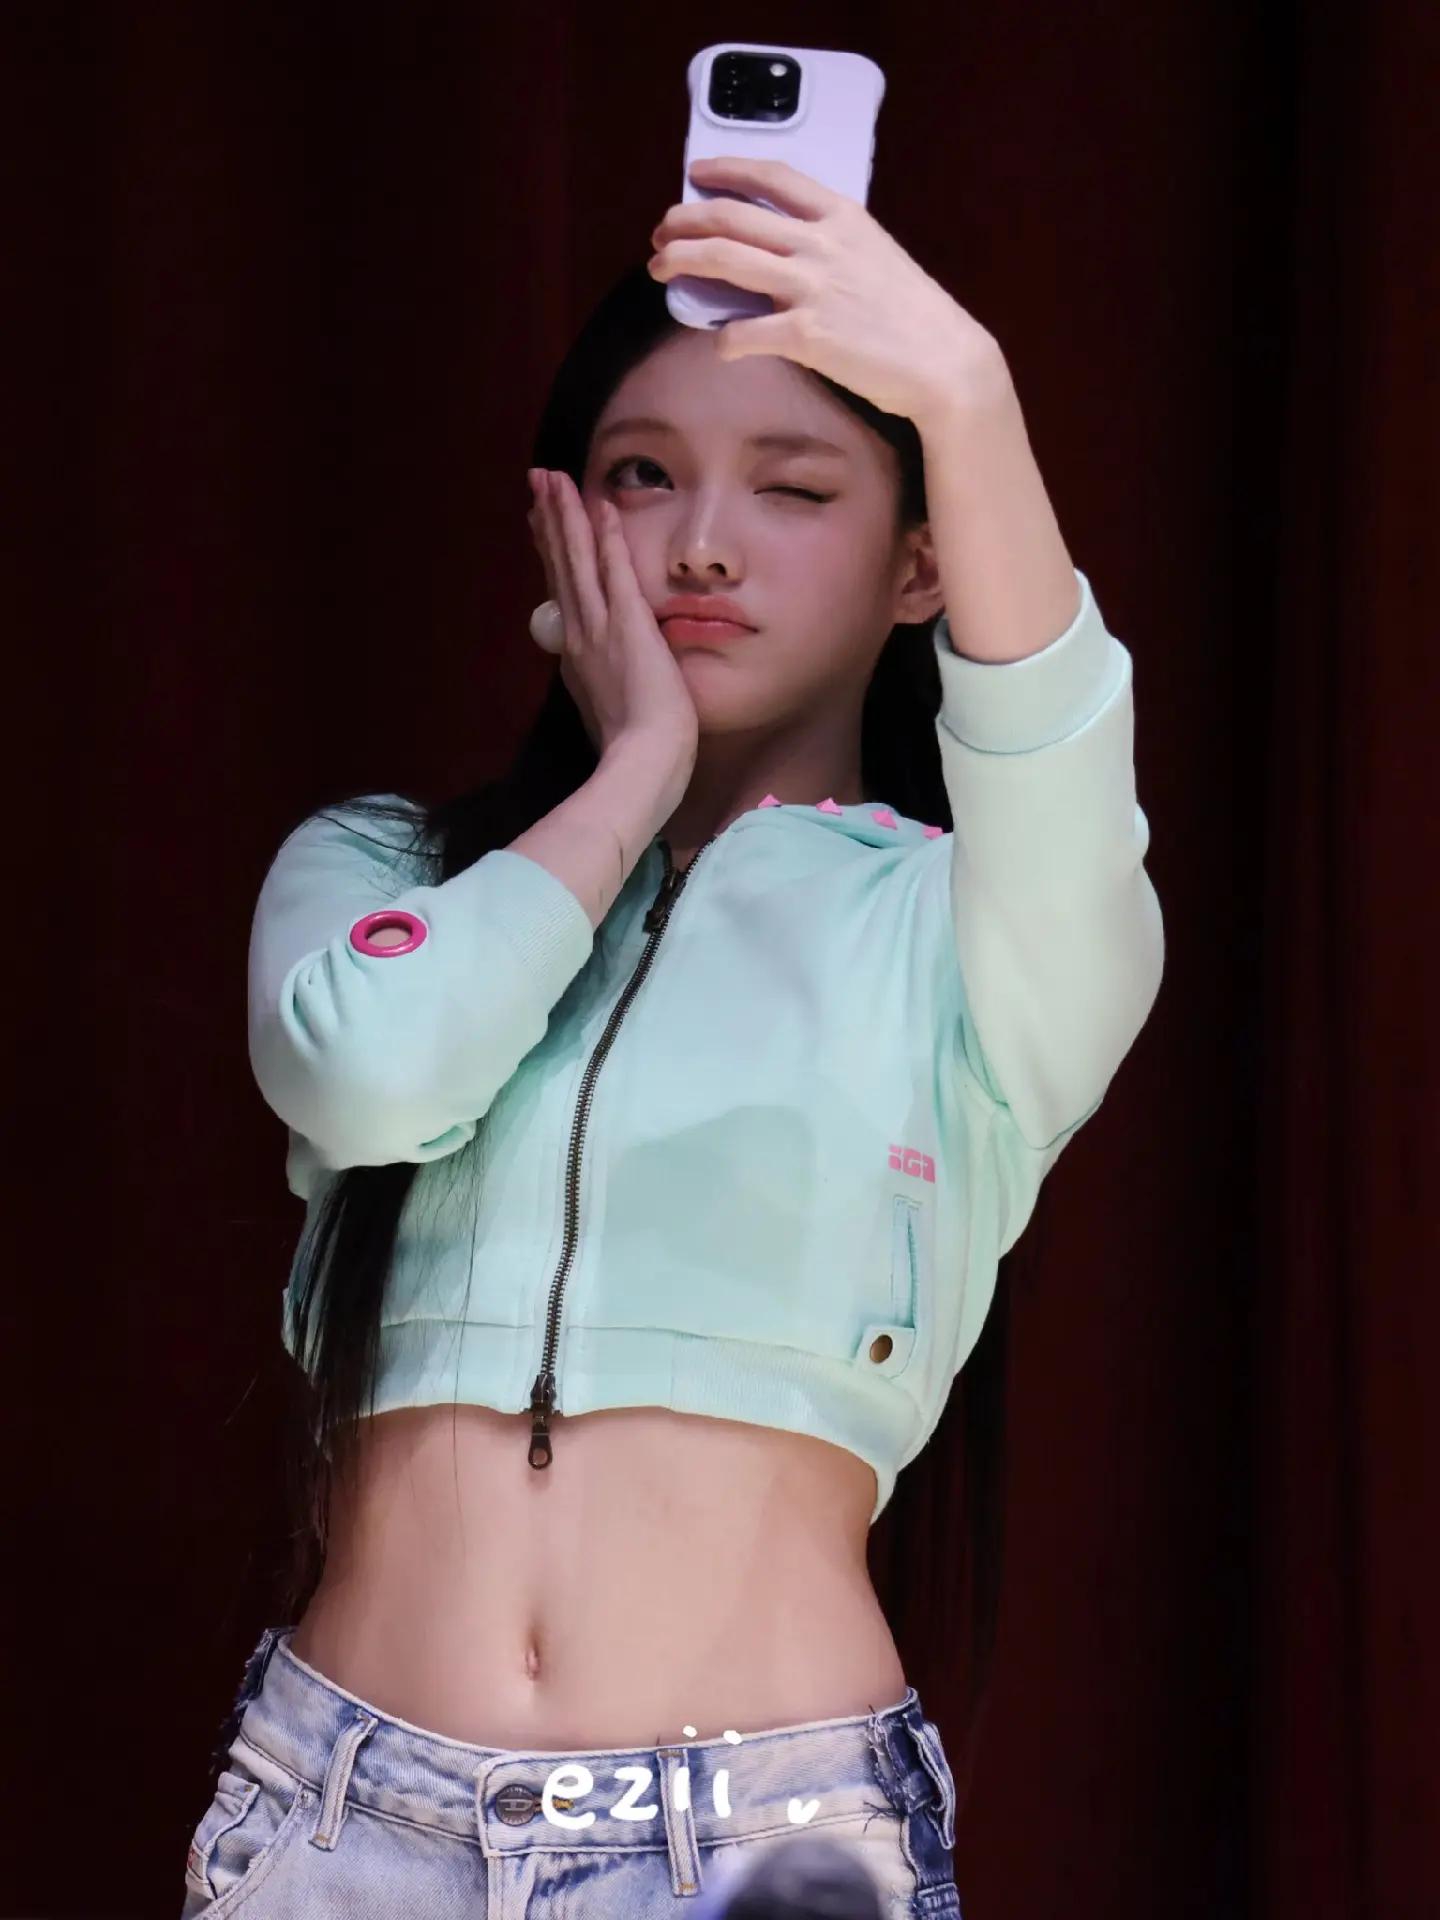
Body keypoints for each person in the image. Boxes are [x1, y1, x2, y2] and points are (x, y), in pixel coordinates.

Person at [182, 190, 1163, 1917]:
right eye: (644, 476)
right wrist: (632, 771)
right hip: (335, 1826)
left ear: (923, 562)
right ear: (559, 523)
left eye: (795, 488)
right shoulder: (391, 871)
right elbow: (370, 1073)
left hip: (762, 1839)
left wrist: (964, 392)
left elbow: (1051, 728)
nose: (704, 547)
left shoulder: (969, 933)